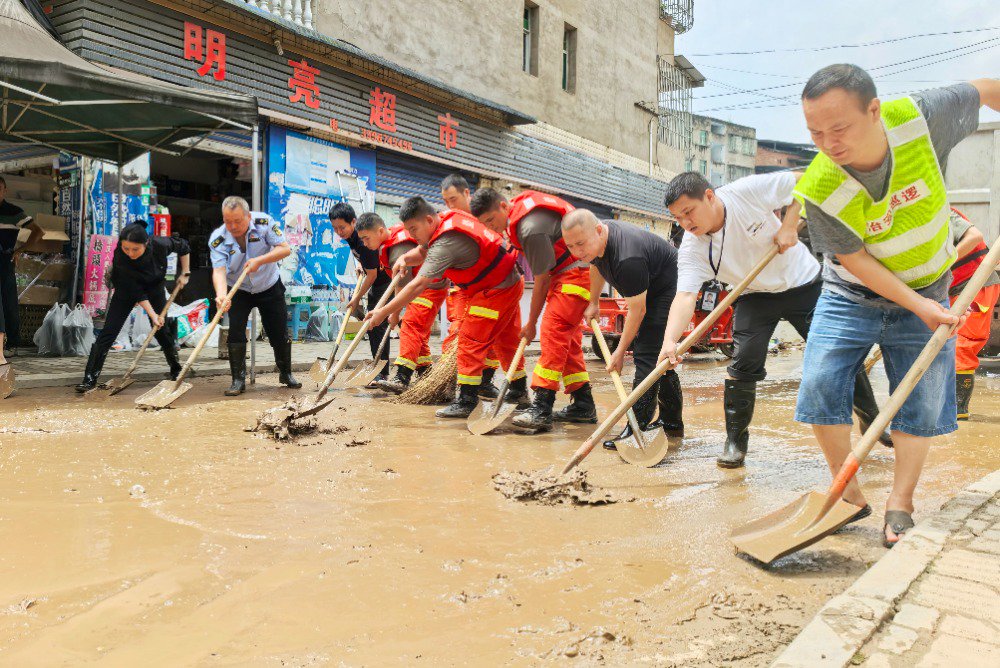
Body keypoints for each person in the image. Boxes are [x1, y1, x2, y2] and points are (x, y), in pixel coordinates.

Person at [789, 64, 1000, 547]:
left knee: (921, 402)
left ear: (875, 110)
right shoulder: (820, 188)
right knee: (821, 384)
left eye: (839, 128)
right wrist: (918, 306)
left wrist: (926, 304)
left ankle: (900, 503)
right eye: (815, 132)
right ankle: (849, 495)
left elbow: (988, 88)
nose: (828, 142)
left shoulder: (922, 118)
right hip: (850, 293)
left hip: (928, 284)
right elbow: (855, 260)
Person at [659, 171, 891, 469]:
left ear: (709, 196)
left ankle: (871, 421)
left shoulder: (745, 191)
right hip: (754, 294)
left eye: (688, 212)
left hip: (804, 284)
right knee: (743, 364)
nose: (686, 224)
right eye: (678, 218)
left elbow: (808, 179)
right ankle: (735, 442)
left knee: (838, 354)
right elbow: (686, 296)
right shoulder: (693, 247)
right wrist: (669, 342)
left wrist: (790, 224)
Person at [365, 196, 528, 418]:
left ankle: (467, 400)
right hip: (509, 281)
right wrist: (406, 258)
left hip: (495, 288)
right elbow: (422, 250)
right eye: (408, 230)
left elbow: (418, 284)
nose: (411, 236)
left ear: (429, 220)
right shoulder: (444, 223)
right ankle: (519, 390)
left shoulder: (445, 243)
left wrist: (382, 312)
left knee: (471, 340)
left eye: (414, 229)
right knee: (506, 340)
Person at [472, 188, 595, 431]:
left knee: (553, 333)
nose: (491, 227)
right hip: (569, 274)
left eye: (491, 220)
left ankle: (541, 407)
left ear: (504, 207)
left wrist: (530, 323)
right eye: (484, 224)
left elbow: (541, 280)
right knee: (567, 345)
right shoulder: (518, 218)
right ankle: (583, 404)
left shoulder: (530, 228)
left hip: (577, 275)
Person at [561, 209, 684, 448]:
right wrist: (594, 301)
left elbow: (638, 311)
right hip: (647, 282)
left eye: (580, 244)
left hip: (667, 287)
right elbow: (596, 265)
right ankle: (671, 423)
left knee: (647, 355)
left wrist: (619, 352)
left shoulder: (627, 259)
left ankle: (636, 426)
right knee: (662, 360)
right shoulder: (595, 241)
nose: (577, 252)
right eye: (570, 246)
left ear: (598, 231)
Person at [74, 223, 189, 391]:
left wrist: (185, 272)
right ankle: (89, 379)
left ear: (146, 243)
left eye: (135, 249)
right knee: (109, 332)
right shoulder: (121, 257)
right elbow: (136, 291)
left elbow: (184, 246)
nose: (130, 253)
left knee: (162, 331)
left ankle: (176, 369)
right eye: (126, 248)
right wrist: (152, 314)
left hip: (154, 290)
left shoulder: (160, 244)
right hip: (126, 291)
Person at [210, 196, 301, 395]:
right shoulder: (218, 239)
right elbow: (219, 271)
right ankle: (237, 380)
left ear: (248, 216)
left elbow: (284, 249)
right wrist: (221, 295)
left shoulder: (264, 223)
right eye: (227, 221)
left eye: (238, 221)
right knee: (235, 332)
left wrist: (260, 260)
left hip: (268, 285)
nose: (232, 226)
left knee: (278, 332)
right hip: (239, 289)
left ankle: (285, 373)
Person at [355, 212, 449, 393]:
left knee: (411, 326)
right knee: (417, 333)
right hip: (423, 286)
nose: (365, 244)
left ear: (380, 231)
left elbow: (405, 289)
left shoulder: (397, 249)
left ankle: (402, 377)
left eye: (366, 239)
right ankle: (426, 374)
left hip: (429, 288)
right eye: (362, 240)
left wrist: (394, 313)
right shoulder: (388, 240)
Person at [439, 173, 502, 399]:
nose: (449, 205)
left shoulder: (484, 217)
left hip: (490, 289)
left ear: (467, 193)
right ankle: (445, 381)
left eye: (453, 199)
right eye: (445, 201)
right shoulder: (449, 223)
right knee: (457, 333)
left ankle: (485, 381)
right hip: (463, 290)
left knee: (491, 336)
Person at [329, 202, 391, 387]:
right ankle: (378, 369)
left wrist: (356, 299)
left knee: (376, 326)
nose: (339, 232)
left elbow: (371, 275)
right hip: (376, 280)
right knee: (372, 327)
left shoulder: (363, 240)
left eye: (342, 227)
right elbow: (368, 265)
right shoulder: (351, 237)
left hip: (384, 282)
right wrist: (361, 264)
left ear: (353, 222)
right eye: (335, 228)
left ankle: (382, 373)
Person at [948, 207, 1000, 420]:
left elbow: (974, 237)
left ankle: (959, 411)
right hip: (956, 285)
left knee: (963, 346)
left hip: (975, 284)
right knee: (948, 344)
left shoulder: (938, 210)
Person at [0, 175, 43, 363]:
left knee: (8, 302)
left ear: (5, 190)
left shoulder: (14, 212)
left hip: (5, 260)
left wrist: (21, 249)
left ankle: (12, 343)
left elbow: (38, 232)